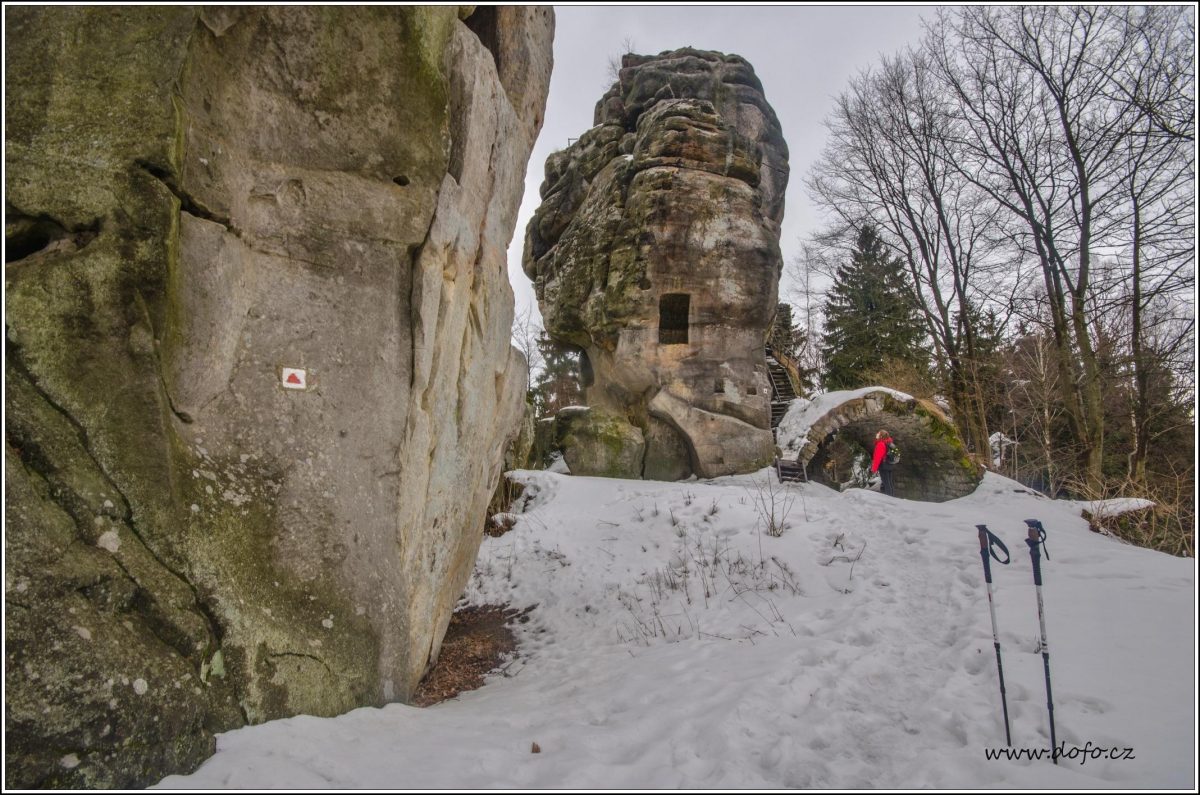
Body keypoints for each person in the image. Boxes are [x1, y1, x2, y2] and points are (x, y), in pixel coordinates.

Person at [871, 429, 896, 496]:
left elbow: (877, 458)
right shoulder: (889, 443)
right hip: (889, 465)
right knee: (889, 482)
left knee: (886, 483)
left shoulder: (880, 444)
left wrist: (874, 469)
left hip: (883, 466)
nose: (877, 434)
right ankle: (892, 497)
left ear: (881, 436)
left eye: (878, 433)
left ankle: (889, 498)